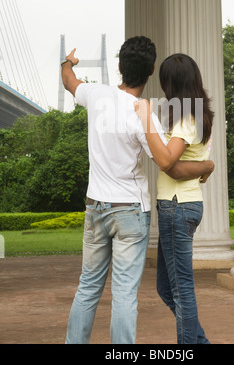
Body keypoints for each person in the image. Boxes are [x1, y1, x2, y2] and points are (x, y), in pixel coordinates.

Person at [61, 37, 214, 344]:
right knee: (124, 294)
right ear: (150, 72)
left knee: (88, 286)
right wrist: (206, 167)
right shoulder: (146, 114)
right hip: (130, 209)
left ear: (119, 66)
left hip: (95, 207)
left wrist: (68, 62)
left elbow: (69, 81)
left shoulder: (95, 94)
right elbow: (166, 161)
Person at [134, 53, 214, 344]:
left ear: (172, 83)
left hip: (178, 205)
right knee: (167, 289)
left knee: (180, 289)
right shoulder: (198, 114)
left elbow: (168, 162)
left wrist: (145, 120)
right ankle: (199, 343)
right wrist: (207, 166)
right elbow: (185, 163)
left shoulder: (185, 118)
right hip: (182, 204)